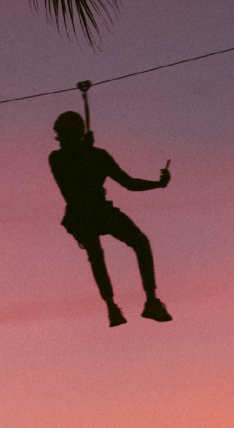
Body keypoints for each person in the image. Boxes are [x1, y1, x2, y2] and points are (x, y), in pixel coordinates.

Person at [48, 110, 172, 327]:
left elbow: (76, 168)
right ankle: (149, 301)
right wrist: (158, 184)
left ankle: (113, 308)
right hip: (98, 211)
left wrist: (87, 148)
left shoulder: (59, 158)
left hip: (80, 215)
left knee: (97, 256)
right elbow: (129, 184)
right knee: (139, 243)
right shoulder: (94, 155)